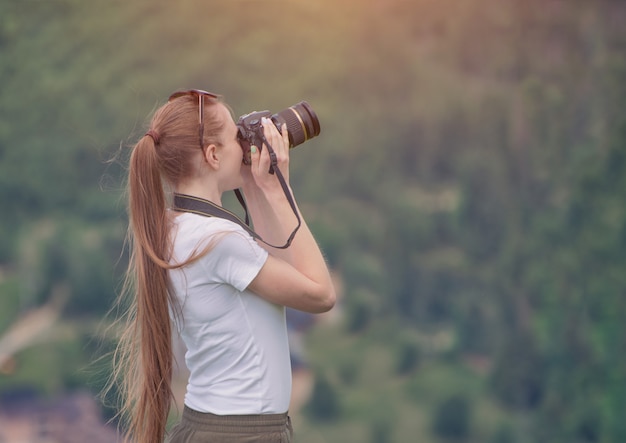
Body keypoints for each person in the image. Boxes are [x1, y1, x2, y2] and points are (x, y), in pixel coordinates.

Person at [111, 89, 336, 443]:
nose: (245, 145)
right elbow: (320, 294)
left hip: (210, 425)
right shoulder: (218, 240)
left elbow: (272, 265)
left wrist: (253, 182)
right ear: (213, 155)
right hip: (241, 433)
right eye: (237, 136)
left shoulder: (178, 228)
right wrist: (279, 191)